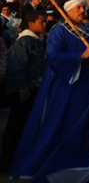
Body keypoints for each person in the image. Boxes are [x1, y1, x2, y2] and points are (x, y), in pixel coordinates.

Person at [9, 0, 89, 180]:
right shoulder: (59, 30)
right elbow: (53, 55)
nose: (82, 10)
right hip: (67, 84)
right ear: (68, 11)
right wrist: (81, 55)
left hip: (88, 84)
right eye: (78, 7)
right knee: (60, 122)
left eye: (84, 7)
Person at [1, 11, 45, 168]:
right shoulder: (25, 42)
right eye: (41, 22)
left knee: (23, 124)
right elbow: (17, 67)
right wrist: (23, 88)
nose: (45, 24)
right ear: (31, 24)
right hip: (21, 91)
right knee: (16, 124)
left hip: (31, 89)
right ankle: (6, 160)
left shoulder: (37, 41)